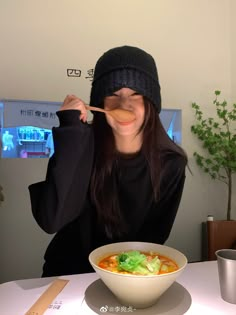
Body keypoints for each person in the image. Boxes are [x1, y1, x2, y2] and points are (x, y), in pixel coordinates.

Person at [29, 45, 188, 277]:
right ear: (100, 103)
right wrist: (71, 129)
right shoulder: (81, 145)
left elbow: (155, 237)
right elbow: (51, 219)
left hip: (129, 277)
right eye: (113, 94)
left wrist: (126, 276)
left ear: (151, 102)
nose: (124, 104)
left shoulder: (171, 163)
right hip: (68, 276)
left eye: (136, 94)